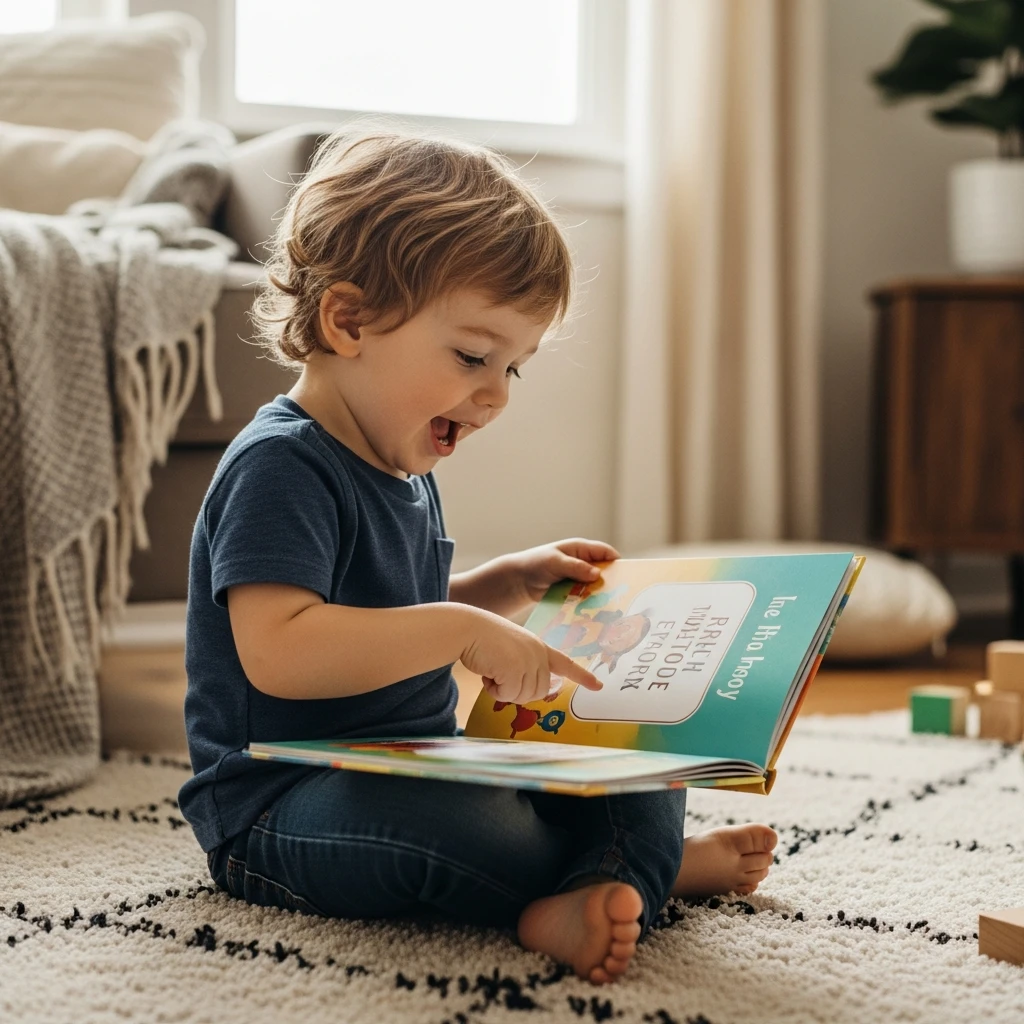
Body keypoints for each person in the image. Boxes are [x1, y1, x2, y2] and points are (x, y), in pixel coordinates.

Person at [178, 123, 778, 985]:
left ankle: (612, 875)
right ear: (349, 320)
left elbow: (384, 612)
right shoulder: (281, 464)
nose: (494, 395)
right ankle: (635, 875)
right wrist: (459, 626)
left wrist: (500, 585)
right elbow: (282, 651)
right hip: (278, 805)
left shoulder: (399, 458)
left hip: (422, 761)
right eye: (472, 356)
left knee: (635, 763)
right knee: (461, 828)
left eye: (514, 368)